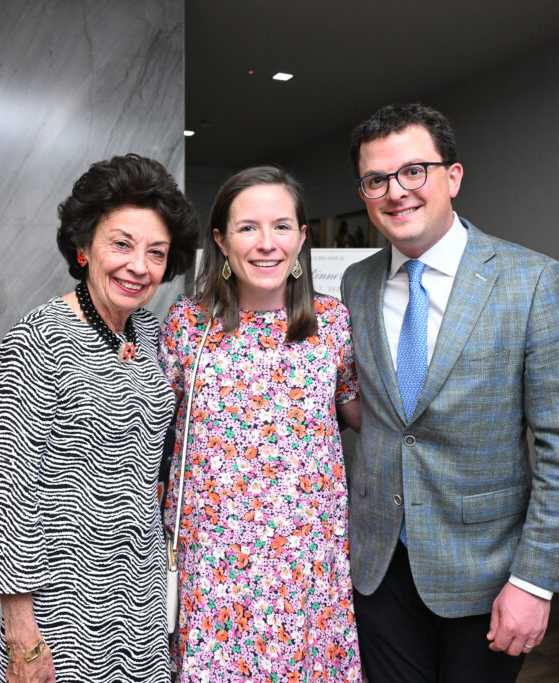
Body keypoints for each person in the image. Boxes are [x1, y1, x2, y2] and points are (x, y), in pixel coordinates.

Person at [340, 103, 559, 682]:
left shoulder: (532, 280)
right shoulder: (356, 283)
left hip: (487, 572)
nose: (396, 192)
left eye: (413, 171)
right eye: (376, 180)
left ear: (452, 177)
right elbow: (368, 408)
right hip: (377, 565)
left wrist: (535, 582)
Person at [0, 153, 198, 683]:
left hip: (140, 593)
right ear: (84, 247)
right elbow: (9, 495)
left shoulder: (149, 333)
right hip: (63, 604)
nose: (139, 266)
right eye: (121, 244)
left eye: (156, 252)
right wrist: (22, 634)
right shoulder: (39, 339)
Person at [159, 166, 364, 682]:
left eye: (281, 226)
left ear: (302, 237)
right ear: (221, 241)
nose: (266, 243)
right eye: (248, 227)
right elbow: (152, 436)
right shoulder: (187, 325)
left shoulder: (332, 323)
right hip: (213, 569)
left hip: (306, 566)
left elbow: (366, 416)